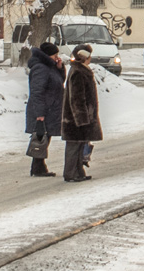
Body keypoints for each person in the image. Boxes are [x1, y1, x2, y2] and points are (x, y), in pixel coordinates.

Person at [61, 45, 102, 182]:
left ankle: (78, 172)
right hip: (76, 119)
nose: (91, 58)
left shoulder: (81, 70)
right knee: (74, 146)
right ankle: (71, 173)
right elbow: (77, 99)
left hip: (80, 118)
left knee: (79, 146)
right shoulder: (78, 72)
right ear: (85, 57)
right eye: (89, 55)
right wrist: (82, 119)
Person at [25, 41, 63, 177]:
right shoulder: (41, 68)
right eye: (55, 55)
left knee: (44, 138)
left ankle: (39, 167)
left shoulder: (49, 67)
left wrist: (60, 68)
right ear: (48, 55)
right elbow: (37, 91)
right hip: (43, 110)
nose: (57, 57)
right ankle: (37, 168)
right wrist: (40, 113)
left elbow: (58, 83)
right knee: (41, 138)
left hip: (49, 109)